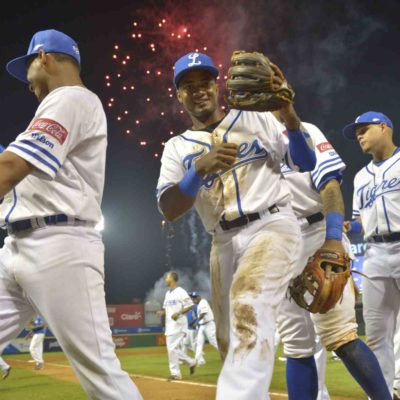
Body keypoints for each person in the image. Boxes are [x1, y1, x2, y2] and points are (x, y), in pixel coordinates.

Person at [156, 51, 316, 399]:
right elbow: (169, 208)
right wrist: (197, 170)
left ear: (218, 86)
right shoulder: (176, 148)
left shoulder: (256, 119)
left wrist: (289, 116)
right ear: (179, 95)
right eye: (189, 86)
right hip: (223, 243)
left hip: (272, 225)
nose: (199, 91)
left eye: (205, 83)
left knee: (250, 303)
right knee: (230, 340)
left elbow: (304, 162)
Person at [0, 29, 143, 399]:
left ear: (44, 57)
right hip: (17, 247)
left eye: (29, 65)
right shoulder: (58, 107)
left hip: (60, 247)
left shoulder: (72, 98)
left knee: (102, 377)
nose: (27, 81)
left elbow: (10, 168)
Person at [274, 111, 390, 399]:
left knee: (341, 337)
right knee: (296, 347)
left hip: (316, 234)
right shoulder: (248, 143)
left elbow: (330, 185)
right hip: (278, 243)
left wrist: (334, 239)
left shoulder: (304, 130)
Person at [343, 111, 400, 397]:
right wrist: (348, 225)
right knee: (377, 335)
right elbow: (360, 219)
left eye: (364, 129)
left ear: (384, 127)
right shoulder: (360, 176)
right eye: (357, 133)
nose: (359, 136)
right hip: (375, 252)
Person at [156, 271, 196, 380]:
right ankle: (191, 362)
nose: (165, 279)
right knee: (172, 349)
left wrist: (178, 313)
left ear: (172, 279)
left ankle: (176, 374)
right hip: (169, 325)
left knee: (171, 348)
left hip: (178, 323)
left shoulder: (181, 291)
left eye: (167, 277)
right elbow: (166, 309)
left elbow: (190, 305)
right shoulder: (168, 293)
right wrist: (161, 312)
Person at [190, 291, 218, 365]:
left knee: (213, 342)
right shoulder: (199, 304)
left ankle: (226, 354)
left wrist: (196, 322)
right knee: (198, 343)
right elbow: (200, 316)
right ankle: (198, 361)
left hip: (209, 325)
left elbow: (203, 313)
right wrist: (194, 321)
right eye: (193, 298)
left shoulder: (203, 302)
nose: (194, 299)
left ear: (199, 297)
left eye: (195, 297)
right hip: (202, 326)